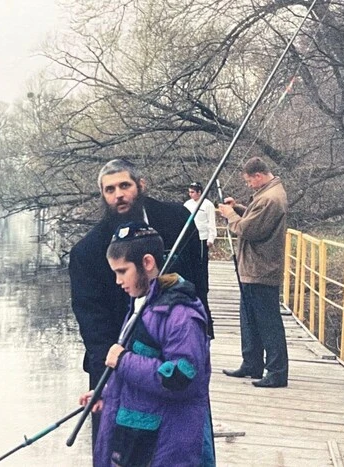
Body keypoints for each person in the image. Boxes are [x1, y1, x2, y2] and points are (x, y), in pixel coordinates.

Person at [68, 159, 212, 460]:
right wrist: (106, 381)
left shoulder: (177, 218)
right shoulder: (87, 252)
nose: (118, 194)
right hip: (113, 363)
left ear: (140, 186)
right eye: (110, 189)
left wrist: (198, 327)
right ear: (102, 195)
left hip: (174, 357)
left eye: (124, 185)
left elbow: (199, 279)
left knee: (179, 446)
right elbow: (92, 324)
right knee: (112, 451)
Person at [218, 157, 289, 388]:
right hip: (253, 268)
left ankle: (277, 372)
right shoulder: (268, 195)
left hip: (262, 269)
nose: (249, 185)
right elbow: (254, 216)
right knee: (249, 319)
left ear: (258, 176)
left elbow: (248, 229)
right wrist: (238, 207)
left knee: (268, 322)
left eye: (249, 181)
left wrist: (230, 215)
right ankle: (252, 363)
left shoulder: (270, 198)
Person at [184, 181, 217, 300]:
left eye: (193, 192)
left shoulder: (207, 205)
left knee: (202, 263)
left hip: (203, 237)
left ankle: (204, 287)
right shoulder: (187, 204)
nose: (191, 194)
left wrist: (211, 237)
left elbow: (211, 222)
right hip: (190, 238)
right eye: (189, 192)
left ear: (199, 192)